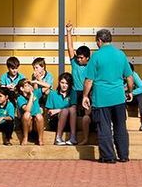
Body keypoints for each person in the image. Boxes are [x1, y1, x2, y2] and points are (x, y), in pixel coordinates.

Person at [79, 28, 137, 163]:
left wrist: (85, 96)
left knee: (104, 127)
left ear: (99, 40)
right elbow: (129, 77)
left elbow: (89, 80)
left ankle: (108, 157)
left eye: (97, 42)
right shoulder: (121, 54)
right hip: (118, 97)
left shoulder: (96, 56)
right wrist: (130, 92)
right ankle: (123, 155)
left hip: (101, 98)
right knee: (120, 126)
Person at [70, 44, 92, 148]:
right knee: (72, 110)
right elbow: (70, 48)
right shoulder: (74, 63)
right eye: (77, 57)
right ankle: (73, 136)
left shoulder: (91, 65)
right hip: (75, 91)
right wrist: (68, 32)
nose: (78, 59)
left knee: (86, 114)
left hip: (86, 92)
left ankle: (86, 138)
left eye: (81, 58)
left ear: (87, 58)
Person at [45, 72, 76, 145]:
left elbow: (74, 107)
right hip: (55, 121)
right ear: (59, 82)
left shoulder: (73, 93)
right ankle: (58, 138)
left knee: (71, 109)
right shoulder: (52, 93)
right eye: (62, 82)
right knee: (65, 111)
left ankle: (73, 137)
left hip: (70, 121)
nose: (64, 85)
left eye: (67, 83)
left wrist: (59, 110)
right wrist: (62, 111)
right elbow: (50, 111)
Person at [16, 78, 43, 145]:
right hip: (28, 126)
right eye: (27, 85)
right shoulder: (20, 98)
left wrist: (36, 81)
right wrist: (31, 96)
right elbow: (27, 109)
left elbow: (48, 86)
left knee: (39, 116)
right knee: (27, 114)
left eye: (30, 85)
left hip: (36, 125)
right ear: (22, 89)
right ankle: (25, 137)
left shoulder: (36, 92)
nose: (30, 87)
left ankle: (40, 139)